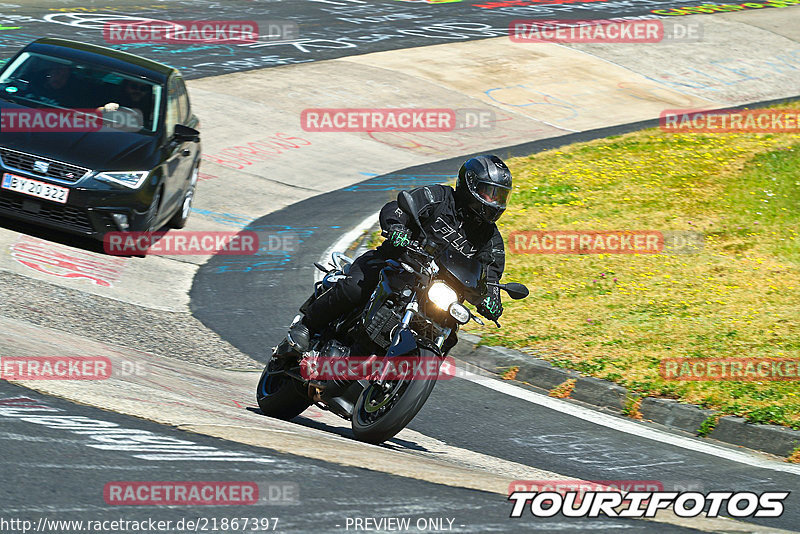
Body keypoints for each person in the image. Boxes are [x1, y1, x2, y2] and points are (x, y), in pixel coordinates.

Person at [287, 154, 512, 354]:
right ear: (470, 185)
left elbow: (490, 277)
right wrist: (397, 228)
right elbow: (397, 208)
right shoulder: (439, 197)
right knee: (356, 286)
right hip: (396, 264)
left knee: (449, 334)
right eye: (490, 193)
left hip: (436, 294)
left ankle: (398, 386)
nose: (495, 202)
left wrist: (491, 299)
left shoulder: (491, 240)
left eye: (501, 196)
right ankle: (307, 325)